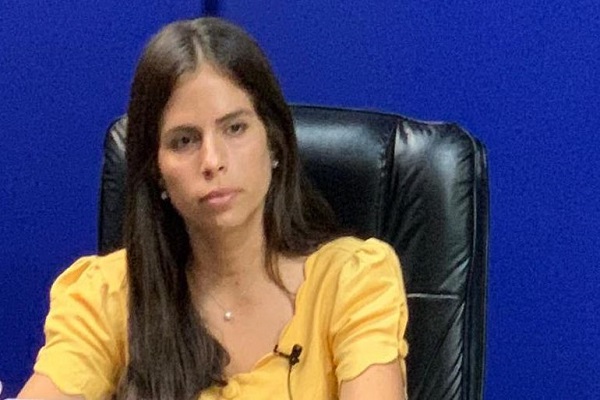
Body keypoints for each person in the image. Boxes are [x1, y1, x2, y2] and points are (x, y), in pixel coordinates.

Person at [18, 17, 408, 400]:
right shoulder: (108, 294)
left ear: (273, 143)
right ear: (156, 171)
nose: (213, 161)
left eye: (235, 128)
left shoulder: (353, 281)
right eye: (184, 141)